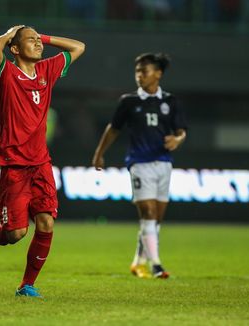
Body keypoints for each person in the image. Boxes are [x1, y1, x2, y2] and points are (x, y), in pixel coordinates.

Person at [0, 25, 85, 298]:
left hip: (41, 162)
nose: (38, 44)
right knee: (15, 234)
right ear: (16, 49)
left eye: (38, 40)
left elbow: (78, 47)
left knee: (46, 223)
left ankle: (26, 285)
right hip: (13, 164)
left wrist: (42, 36)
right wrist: (12, 33)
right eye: (30, 41)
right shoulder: (7, 73)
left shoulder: (47, 70)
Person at [92, 53, 187, 279]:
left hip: (164, 163)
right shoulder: (129, 101)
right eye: (137, 72)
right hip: (139, 163)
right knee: (148, 212)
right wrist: (99, 154)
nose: (139, 76)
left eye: (144, 71)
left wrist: (178, 140)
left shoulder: (170, 101)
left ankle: (138, 262)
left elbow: (181, 131)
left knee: (155, 219)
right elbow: (113, 128)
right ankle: (156, 265)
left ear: (158, 74)